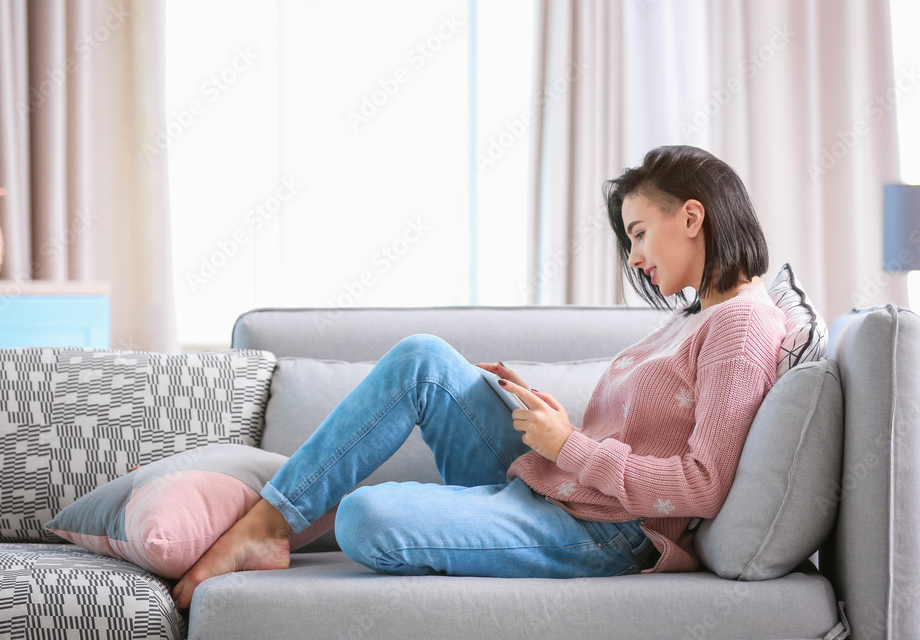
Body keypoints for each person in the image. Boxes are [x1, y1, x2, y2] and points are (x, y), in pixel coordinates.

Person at [171, 144, 787, 609]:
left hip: (610, 533)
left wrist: (568, 446)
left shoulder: (742, 326)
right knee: (424, 361)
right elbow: (646, 431)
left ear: (692, 216)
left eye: (638, 233)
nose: (634, 258)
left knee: (365, 518)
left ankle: (277, 525)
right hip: (566, 487)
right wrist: (550, 420)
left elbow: (701, 486)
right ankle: (267, 524)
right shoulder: (696, 315)